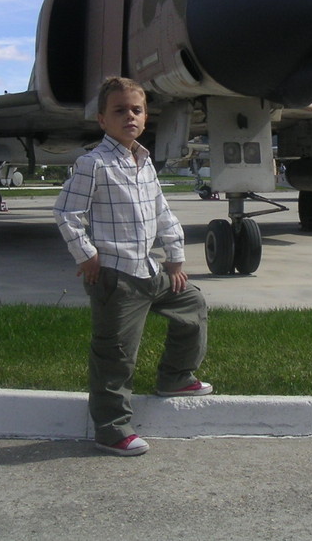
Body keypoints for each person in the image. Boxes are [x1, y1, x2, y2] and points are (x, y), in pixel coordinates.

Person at [53, 76, 211, 457]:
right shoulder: (93, 163)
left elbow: (162, 212)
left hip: (150, 270)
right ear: (102, 120)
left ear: (145, 117)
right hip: (115, 276)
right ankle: (111, 428)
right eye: (119, 110)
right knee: (116, 354)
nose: (130, 116)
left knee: (192, 306)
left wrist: (175, 258)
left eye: (136, 110)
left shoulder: (143, 162)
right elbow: (66, 213)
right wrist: (87, 255)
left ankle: (174, 377)